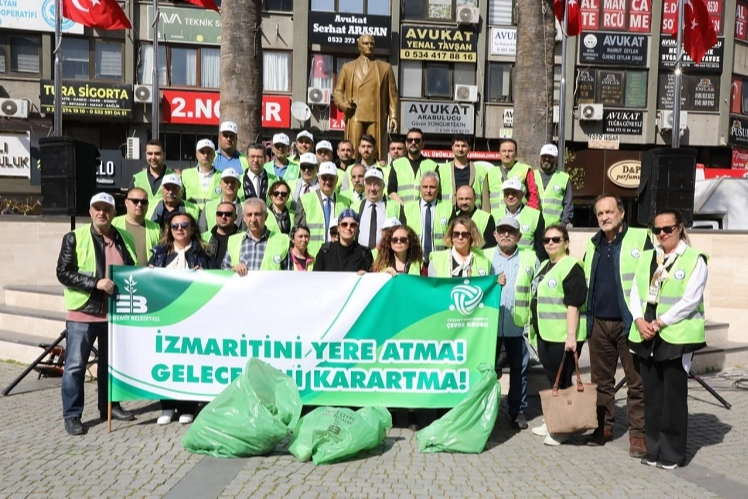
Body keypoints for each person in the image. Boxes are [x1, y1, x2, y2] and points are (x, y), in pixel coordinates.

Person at [628, 209, 708, 470]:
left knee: (672, 397)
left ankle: (672, 453)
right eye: (657, 230)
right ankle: (653, 448)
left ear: (680, 228)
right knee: (651, 394)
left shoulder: (695, 259)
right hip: (647, 333)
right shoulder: (649, 257)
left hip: (676, 335)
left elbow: (690, 300)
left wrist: (661, 322)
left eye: (668, 229)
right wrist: (639, 320)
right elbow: (635, 291)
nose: (662, 234)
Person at [56, 193, 137, 435]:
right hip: (83, 313)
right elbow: (63, 272)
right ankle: (72, 414)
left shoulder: (124, 238)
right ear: (90, 212)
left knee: (110, 366)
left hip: (114, 314)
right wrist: (95, 283)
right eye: (97, 209)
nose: (102, 213)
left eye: (107, 209)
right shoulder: (74, 238)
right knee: (75, 367)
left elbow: (131, 268)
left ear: (114, 213)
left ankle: (109, 407)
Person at [583, 194, 651, 456]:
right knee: (601, 382)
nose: (604, 217)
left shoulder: (639, 238)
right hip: (599, 323)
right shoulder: (593, 244)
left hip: (629, 323)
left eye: (609, 212)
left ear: (622, 213)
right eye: (600, 214)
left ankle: (638, 436)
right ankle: (603, 428)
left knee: (637, 382)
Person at [149, 212, 210, 425]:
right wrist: (148, 273)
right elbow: (149, 279)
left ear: (192, 228)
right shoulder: (159, 253)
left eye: (184, 225)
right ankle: (166, 405)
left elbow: (213, 279)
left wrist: (205, 273)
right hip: (166, 317)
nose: (180, 229)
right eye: (175, 226)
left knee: (189, 362)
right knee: (166, 361)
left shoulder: (202, 252)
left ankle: (188, 406)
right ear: (169, 229)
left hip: (193, 316)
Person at [529, 224, 588, 446]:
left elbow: (573, 304)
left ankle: (562, 429)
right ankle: (552, 420)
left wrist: (571, 337)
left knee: (561, 380)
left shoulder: (571, 267)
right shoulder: (545, 265)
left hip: (563, 335)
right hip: (546, 333)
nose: (551, 243)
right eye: (547, 240)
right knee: (551, 378)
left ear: (566, 242)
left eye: (556, 239)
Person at [485, 217, 539, 430]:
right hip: (489, 325)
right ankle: (486, 410)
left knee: (519, 370)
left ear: (519, 235)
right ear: (495, 234)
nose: (506, 234)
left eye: (511, 231)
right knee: (488, 369)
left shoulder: (530, 258)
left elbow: (536, 290)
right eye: (502, 230)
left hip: (518, 325)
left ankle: (517, 410)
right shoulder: (484, 256)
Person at [333, 34, 399, 163]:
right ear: (359, 46)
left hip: (375, 115)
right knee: (354, 150)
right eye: (366, 44)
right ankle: (353, 171)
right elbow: (337, 91)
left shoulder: (385, 68)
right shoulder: (348, 68)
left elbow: (393, 95)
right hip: (355, 114)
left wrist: (393, 116)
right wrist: (343, 105)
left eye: (371, 44)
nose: (369, 46)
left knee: (375, 151)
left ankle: (377, 172)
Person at [295, 161, 352, 258]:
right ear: (318, 179)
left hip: (338, 255)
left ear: (337, 179)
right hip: (312, 256)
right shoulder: (305, 200)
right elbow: (299, 232)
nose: (328, 182)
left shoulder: (346, 202)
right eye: (324, 178)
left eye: (331, 178)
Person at [221, 198, 289, 273]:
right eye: (249, 215)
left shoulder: (282, 241)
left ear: (265, 216)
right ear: (244, 218)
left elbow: (290, 275)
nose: (253, 219)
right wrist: (232, 269)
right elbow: (224, 270)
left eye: (257, 214)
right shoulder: (234, 241)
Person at [401, 171, 452, 263]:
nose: (428, 191)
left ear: (438, 189)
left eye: (432, 187)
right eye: (425, 187)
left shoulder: (449, 208)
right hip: (414, 260)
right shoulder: (407, 208)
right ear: (420, 188)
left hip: (441, 261)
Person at [482, 138, 539, 213]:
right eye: (503, 151)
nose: (506, 154)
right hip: (496, 218)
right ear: (499, 153)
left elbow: (533, 195)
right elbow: (485, 199)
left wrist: (532, 215)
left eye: (510, 151)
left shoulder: (525, 170)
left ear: (516, 153)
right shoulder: (490, 172)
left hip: (519, 216)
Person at [497, 178, 545, 258]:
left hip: (527, 265)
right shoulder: (495, 214)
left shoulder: (535, 215)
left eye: (514, 193)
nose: (510, 196)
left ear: (522, 194)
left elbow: (541, 248)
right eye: (507, 193)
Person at [111, 187, 160, 266]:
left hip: (147, 275)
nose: (139, 204)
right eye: (135, 201)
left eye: (143, 202)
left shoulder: (156, 228)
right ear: (126, 203)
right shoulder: (113, 224)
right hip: (121, 275)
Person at [388, 128, 438, 205]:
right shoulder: (396, 164)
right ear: (406, 143)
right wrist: (405, 208)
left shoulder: (432, 165)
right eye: (410, 140)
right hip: (403, 211)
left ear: (422, 144)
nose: (413, 142)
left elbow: (437, 192)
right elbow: (391, 192)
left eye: (417, 140)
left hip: (425, 212)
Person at [355, 168, 401, 249]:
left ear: (383, 186)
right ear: (364, 186)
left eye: (376, 184)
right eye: (369, 184)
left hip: (385, 255)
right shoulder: (354, 207)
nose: (372, 189)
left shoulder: (395, 206)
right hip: (361, 256)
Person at [439, 135, 487, 208]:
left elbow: (485, 199)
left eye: (464, 146)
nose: (460, 149)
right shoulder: (441, 170)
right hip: (449, 215)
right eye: (457, 146)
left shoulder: (481, 170)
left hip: (473, 216)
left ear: (469, 148)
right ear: (452, 147)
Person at [534, 144, 574, 227]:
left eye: (550, 157)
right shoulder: (532, 175)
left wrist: (563, 224)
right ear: (540, 158)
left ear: (556, 159)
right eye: (544, 156)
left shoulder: (563, 178)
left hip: (555, 227)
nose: (547, 159)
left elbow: (568, 204)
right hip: (533, 225)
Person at [199, 168, 245, 234]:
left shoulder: (246, 207)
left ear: (239, 185)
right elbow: (202, 231)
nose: (229, 184)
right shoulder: (209, 206)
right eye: (226, 181)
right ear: (220, 184)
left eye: (233, 182)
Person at [181, 139, 221, 212]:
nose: (205, 155)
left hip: (213, 216)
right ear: (196, 154)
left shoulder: (222, 176)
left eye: (209, 152)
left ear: (214, 155)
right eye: (202, 152)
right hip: (191, 216)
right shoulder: (186, 174)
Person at [203, 201, 239, 268]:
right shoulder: (203, 237)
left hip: (233, 277)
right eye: (219, 214)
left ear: (235, 217)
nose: (223, 217)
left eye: (228, 214)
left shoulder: (242, 237)